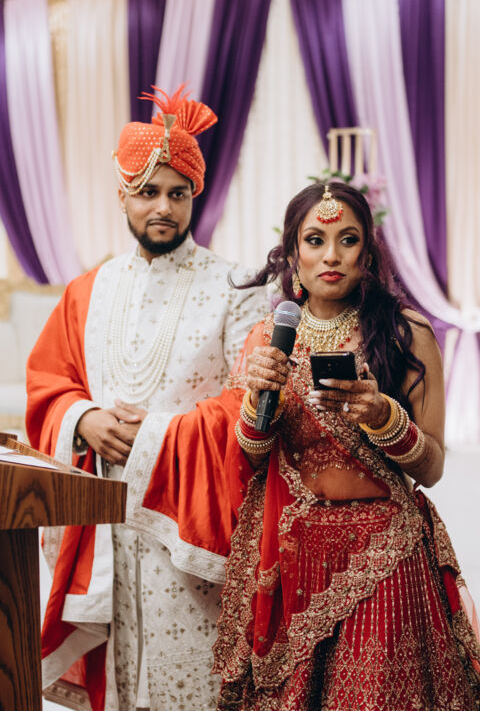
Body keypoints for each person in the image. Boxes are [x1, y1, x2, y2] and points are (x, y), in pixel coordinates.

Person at [131, 182, 480, 709]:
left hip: (383, 557)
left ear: (368, 253)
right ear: (293, 253)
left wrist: (383, 416)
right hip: (294, 560)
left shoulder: (405, 333)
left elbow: (431, 468)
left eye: (348, 239)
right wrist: (259, 400)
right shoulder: (268, 336)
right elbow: (252, 457)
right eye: (315, 240)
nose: (331, 255)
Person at [26, 85, 270, 711]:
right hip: (105, 519)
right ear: (123, 196)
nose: (162, 206)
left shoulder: (236, 287)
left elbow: (253, 404)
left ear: (195, 196)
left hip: (190, 529)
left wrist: (159, 435)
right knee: (122, 681)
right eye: (147, 191)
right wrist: (83, 418)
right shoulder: (89, 290)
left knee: (195, 681)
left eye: (177, 193)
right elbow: (50, 382)